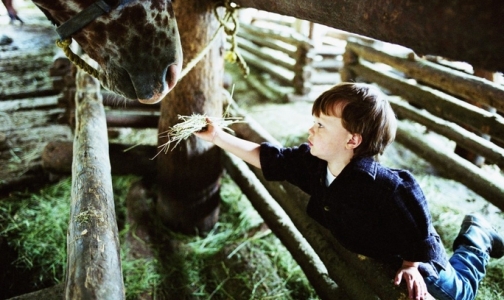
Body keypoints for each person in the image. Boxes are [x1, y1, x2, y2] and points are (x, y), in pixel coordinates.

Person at [194, 82, 503, 300]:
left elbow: (418, 229)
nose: (310, 130)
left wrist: (412, 265)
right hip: (374, 247)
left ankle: (478, 235)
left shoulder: (387, 188)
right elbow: (269, 158)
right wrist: (219, 137)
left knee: (460, 291)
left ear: (352, 140)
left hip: (420, 265)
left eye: (321, 125)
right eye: (313, 122)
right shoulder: (314, 162)